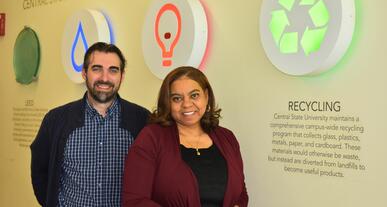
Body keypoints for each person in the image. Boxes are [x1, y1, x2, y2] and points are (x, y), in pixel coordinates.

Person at [30, 42, 150, 207]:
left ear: (122, 76)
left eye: (113, 70)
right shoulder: (56, 119)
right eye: (96, 69)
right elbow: (40, 172)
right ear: (84, 73)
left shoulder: (142, 120)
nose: (104, 78)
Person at [122, 66, 248, 207]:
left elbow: (241, 193)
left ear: (206, 96)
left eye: (194, 95)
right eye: (177, 98)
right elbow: (134, 201)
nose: (187, 104)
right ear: (168, 103)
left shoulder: (227, 138)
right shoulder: (151, 138)